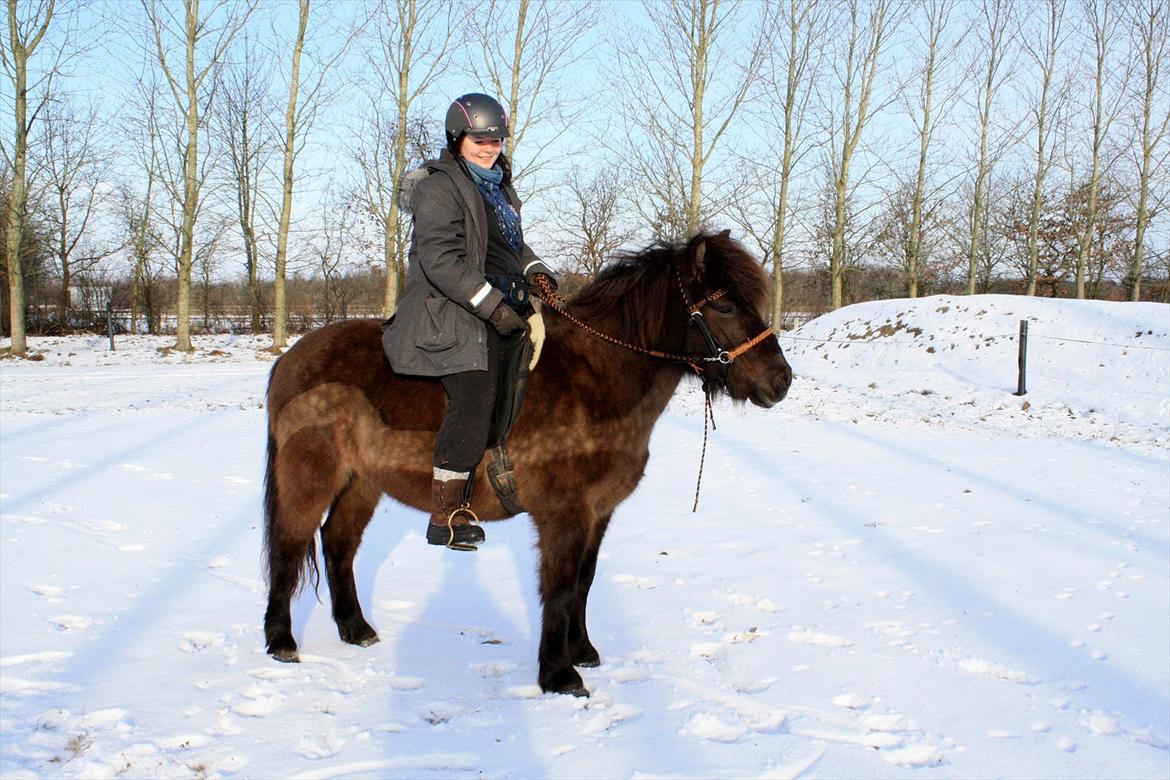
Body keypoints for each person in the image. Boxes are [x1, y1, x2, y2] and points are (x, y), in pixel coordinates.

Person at [382, 92, 557, 550]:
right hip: (450, 309)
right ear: (458, 138)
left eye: (496, 139)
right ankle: (447, 513)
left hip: (499, 303)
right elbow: (440, 259)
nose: (489, 146)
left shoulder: (497, 186)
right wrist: (491, 303)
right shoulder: (440, 187)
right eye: (480, 138)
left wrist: (535, 270)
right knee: (476, 392)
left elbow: (509, 248)